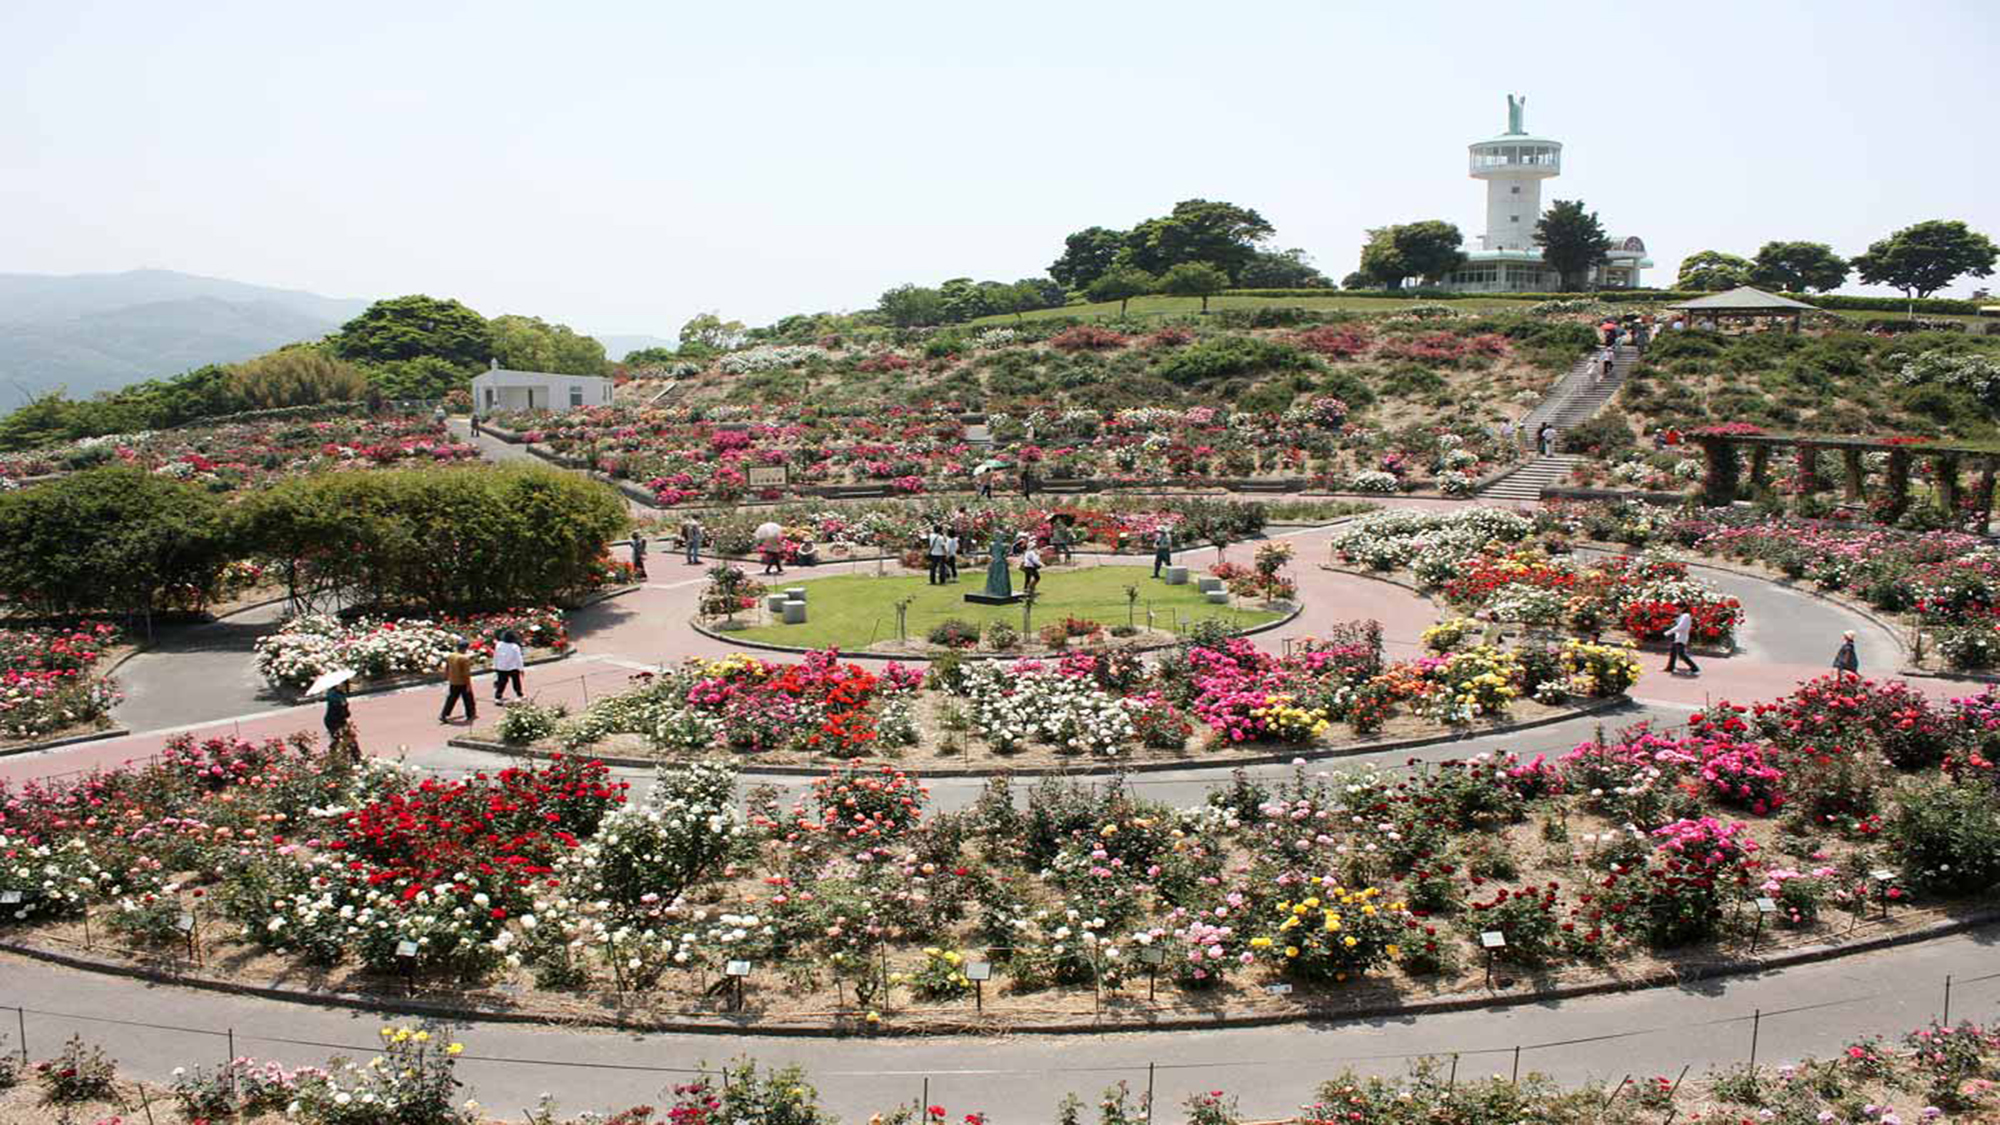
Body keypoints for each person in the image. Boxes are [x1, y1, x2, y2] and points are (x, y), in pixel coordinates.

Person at [438, 639, 478, 723]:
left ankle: (444, 714)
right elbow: (466, 674)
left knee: (451, 698)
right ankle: (470, 714)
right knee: (468, 699)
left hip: (453, 681)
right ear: (465, 648)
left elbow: (447, 667)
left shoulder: (450, 655)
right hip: (462, 682)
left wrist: (447, 676)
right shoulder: (464, 658)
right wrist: (468, 685)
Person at [492, 629, 525, 702]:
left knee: (501, 683)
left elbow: (496, 656)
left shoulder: (499, 644)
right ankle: (519, 695)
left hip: (501, 667)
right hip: (513, 667)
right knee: (516, 682)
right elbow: (518, 659)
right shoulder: (515, 647)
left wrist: (495, 666)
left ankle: (498, 697)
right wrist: (521, 669)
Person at [1664, 609, 1699, 676]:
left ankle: (1695, 669)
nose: (1676, 610)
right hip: (1678, 636)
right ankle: (1670, 667)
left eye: (1678, 608)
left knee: (1681, 654)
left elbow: (1680, 626)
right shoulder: (1682, 616)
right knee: (1673, 652)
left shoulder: (1686, 616)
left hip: (1681, 637)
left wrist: (1668, 632)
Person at [323, 681, 352, 753]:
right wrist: (340, 704)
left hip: (341, 719)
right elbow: (335, 704)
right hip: (332, 721)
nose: (343, 687)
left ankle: (354, 755)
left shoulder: (341, 694)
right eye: (341, 685)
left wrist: (347, 715)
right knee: (336, 739)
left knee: (349, 737)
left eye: (344, 685)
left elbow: (345, 709)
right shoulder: (332, 694)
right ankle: (333, 754)